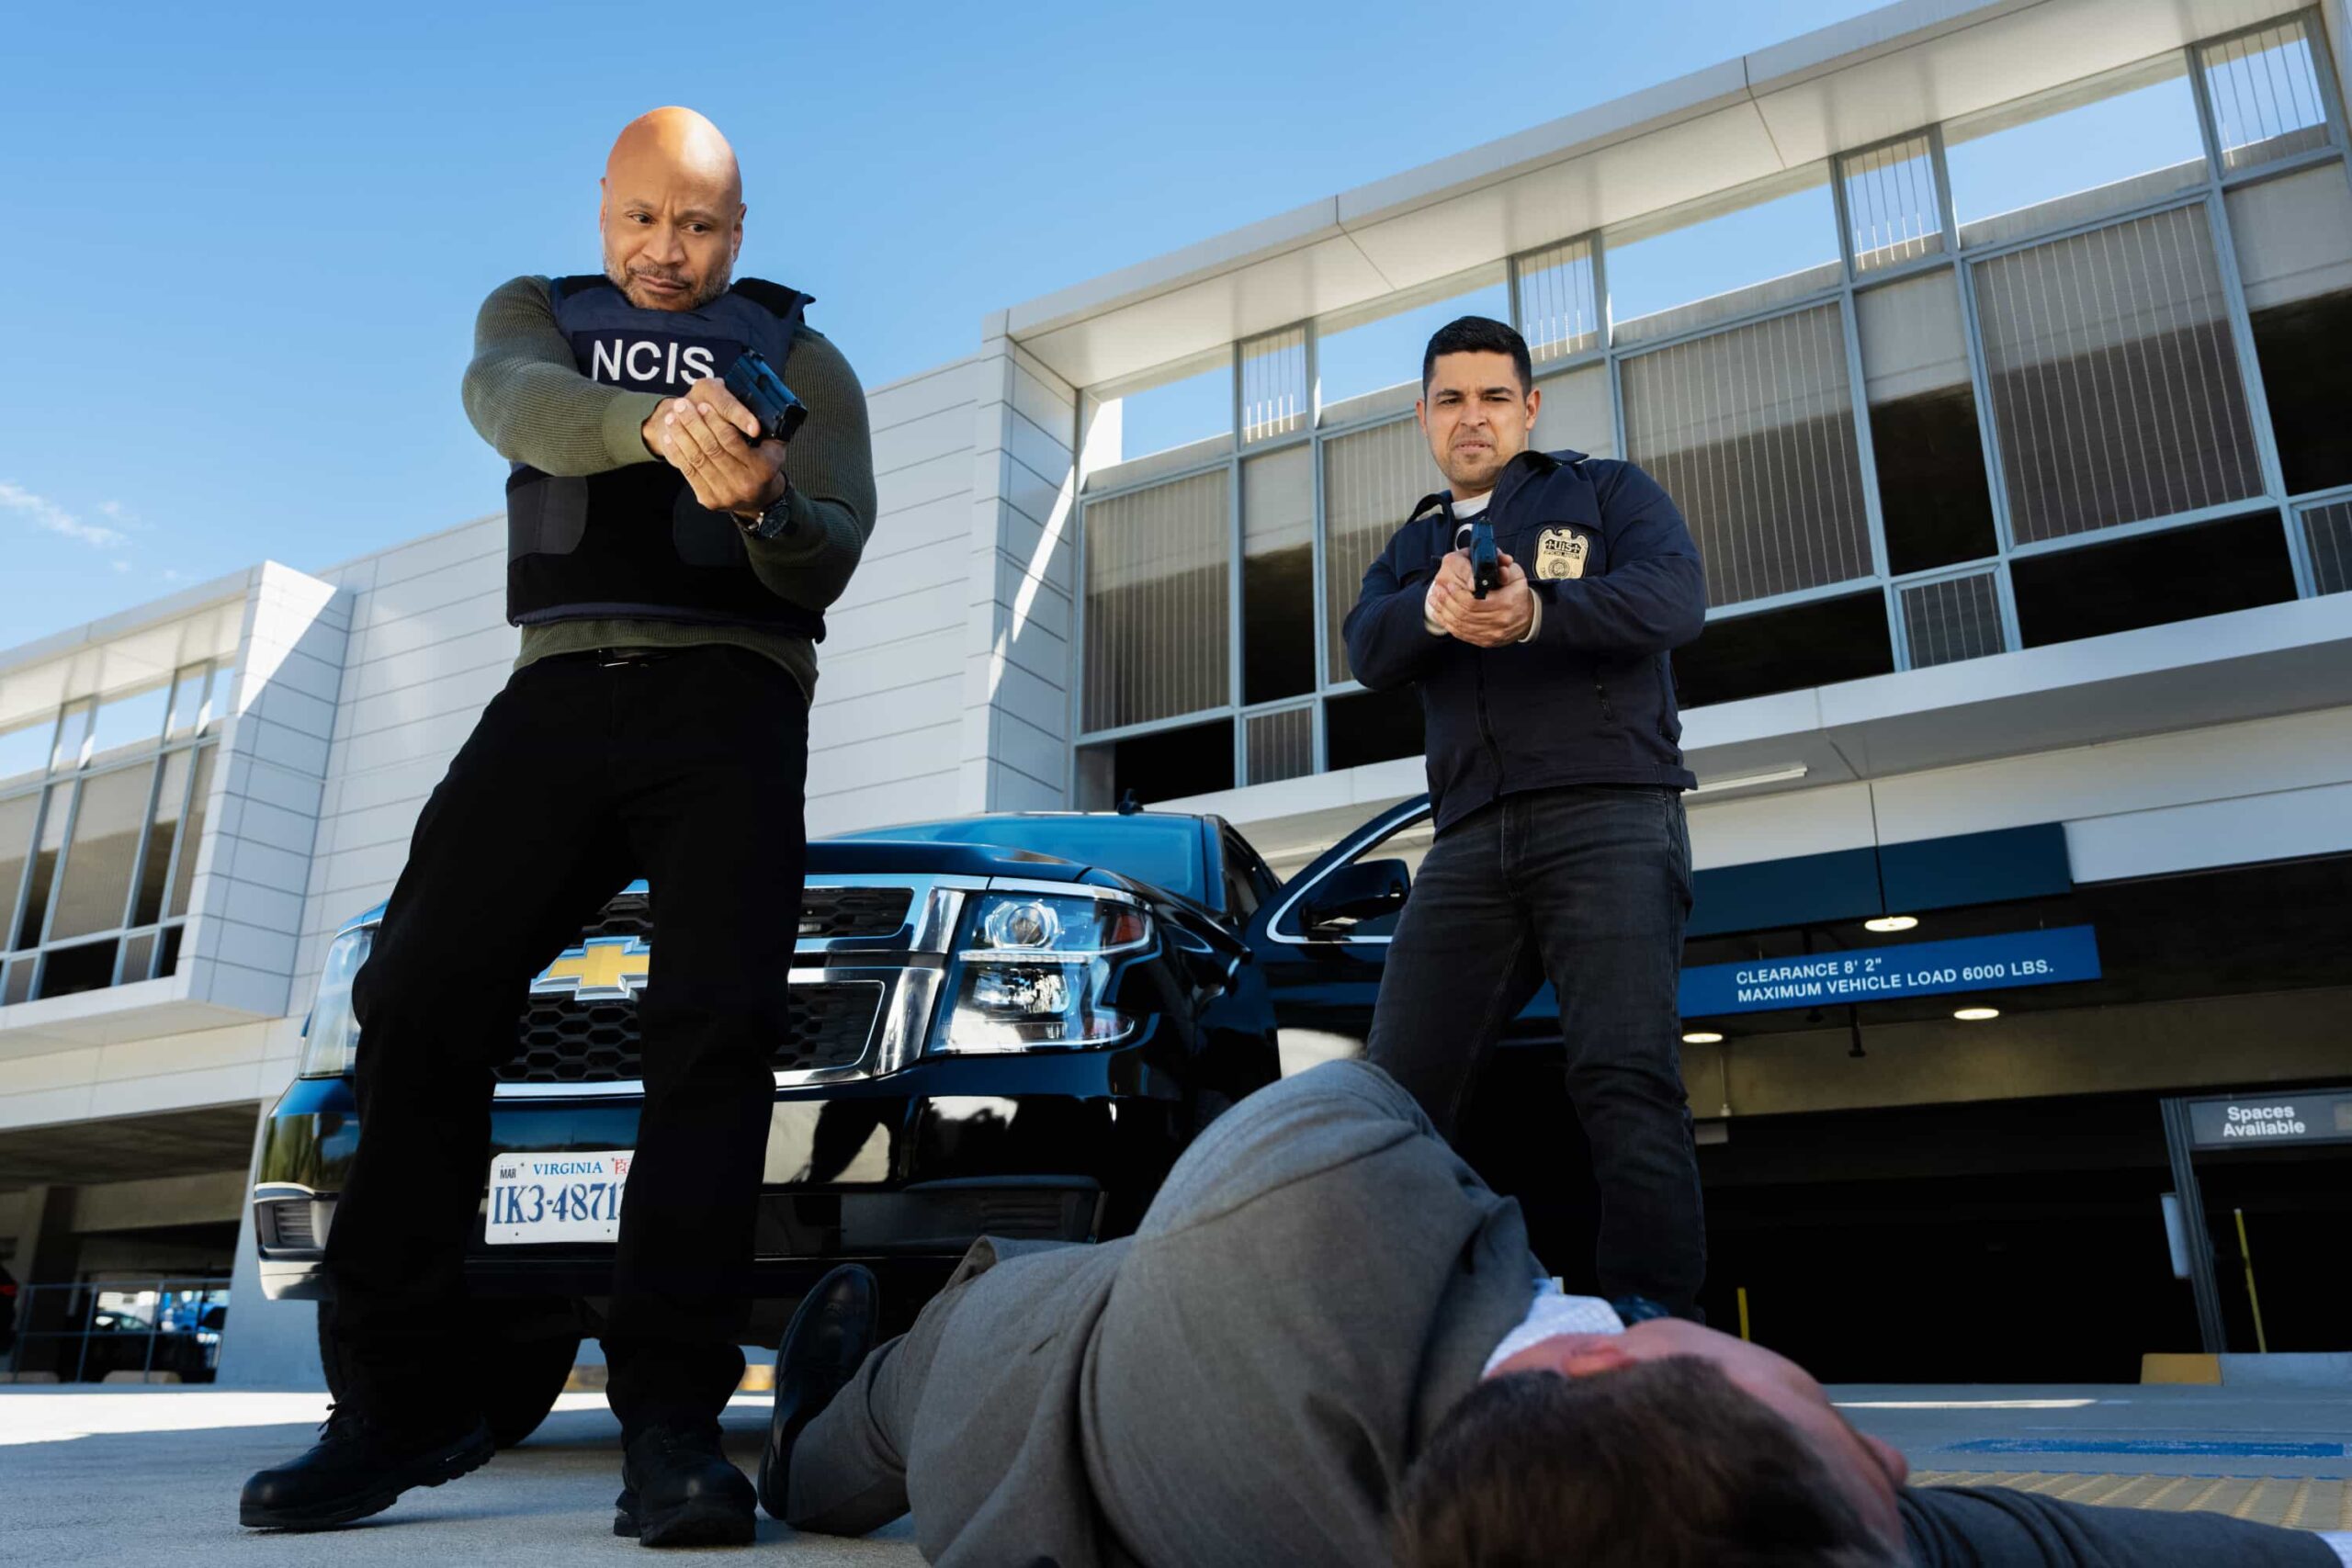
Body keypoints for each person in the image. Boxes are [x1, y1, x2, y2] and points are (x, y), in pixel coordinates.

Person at [239, 107, 876, 1548]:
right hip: (558, 688)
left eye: (700, 226)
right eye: (644, 218)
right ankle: (398, 1403)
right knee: (413, 991)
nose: (668, 251)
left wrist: (769, 503)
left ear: (740, 231)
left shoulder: (806, 355)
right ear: (605, 208)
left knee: (709, 1039)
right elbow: (505, 400)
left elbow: (835, 545)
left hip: (734, 701)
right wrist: (651, 425)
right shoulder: (537, 313)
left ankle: (670, 1428)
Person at [762, 1061, 2344, 1567]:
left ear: (1598, 1353)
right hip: (1097, 1456)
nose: (1897, 1452)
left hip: (1020, 1377)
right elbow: (1990, 1540)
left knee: (854, 1431)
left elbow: (1322, 1101)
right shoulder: (1635, 1519)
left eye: (1826, 1409)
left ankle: (794, 1420)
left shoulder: (1321, 1199)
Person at [1341, 314, 1709, 1318]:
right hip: (1465, 838)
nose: (1473, 417)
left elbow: (1675, 599)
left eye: (1494, 396)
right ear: (1422, 417)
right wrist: (1430, 608)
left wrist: (1540, 609)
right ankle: (1395, 1328)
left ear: (1529, 406)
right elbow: (1365, 647)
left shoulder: (1608, 492)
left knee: (1625, 1080)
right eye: (1451, 399)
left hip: (1611, 814)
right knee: (1395, 1097)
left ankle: (1659, 1340)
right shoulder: (1414, 545)